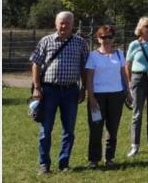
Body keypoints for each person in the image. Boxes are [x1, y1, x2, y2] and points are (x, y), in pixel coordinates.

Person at [30, 11, 89, 175]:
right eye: (61, 22)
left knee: (69, 130)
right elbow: (36, 64)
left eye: (67, 23)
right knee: (45, 129)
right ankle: (44, 164)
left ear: (73, 25)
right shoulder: (46, 41)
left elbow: (85, 68)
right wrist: (37, 86)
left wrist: (83, 88)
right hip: (49, 91)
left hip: (71, 91)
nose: (64, 26)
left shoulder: (80, 43)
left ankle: (64, 163)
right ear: (56, 24)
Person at [85, 25, 130, 168]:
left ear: (113, 38)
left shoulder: (119, 54)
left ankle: (109, 158)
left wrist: (128, 92)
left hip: (116, 96)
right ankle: (94, 159)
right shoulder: (93, 56)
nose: (106, 39)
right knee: (96, 128)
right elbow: (89, 79)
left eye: (109, 36)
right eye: (103, 37)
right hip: (97, 96)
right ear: (98, 38)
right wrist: (91, 98)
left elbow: (124, 75)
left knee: (112, 128)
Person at [125, 17, 148, 157]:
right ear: (141, 28)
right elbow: (127, 65)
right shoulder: (134, 44)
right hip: (138, 78)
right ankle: (135, 145)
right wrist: (129, 83)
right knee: (137, 114)